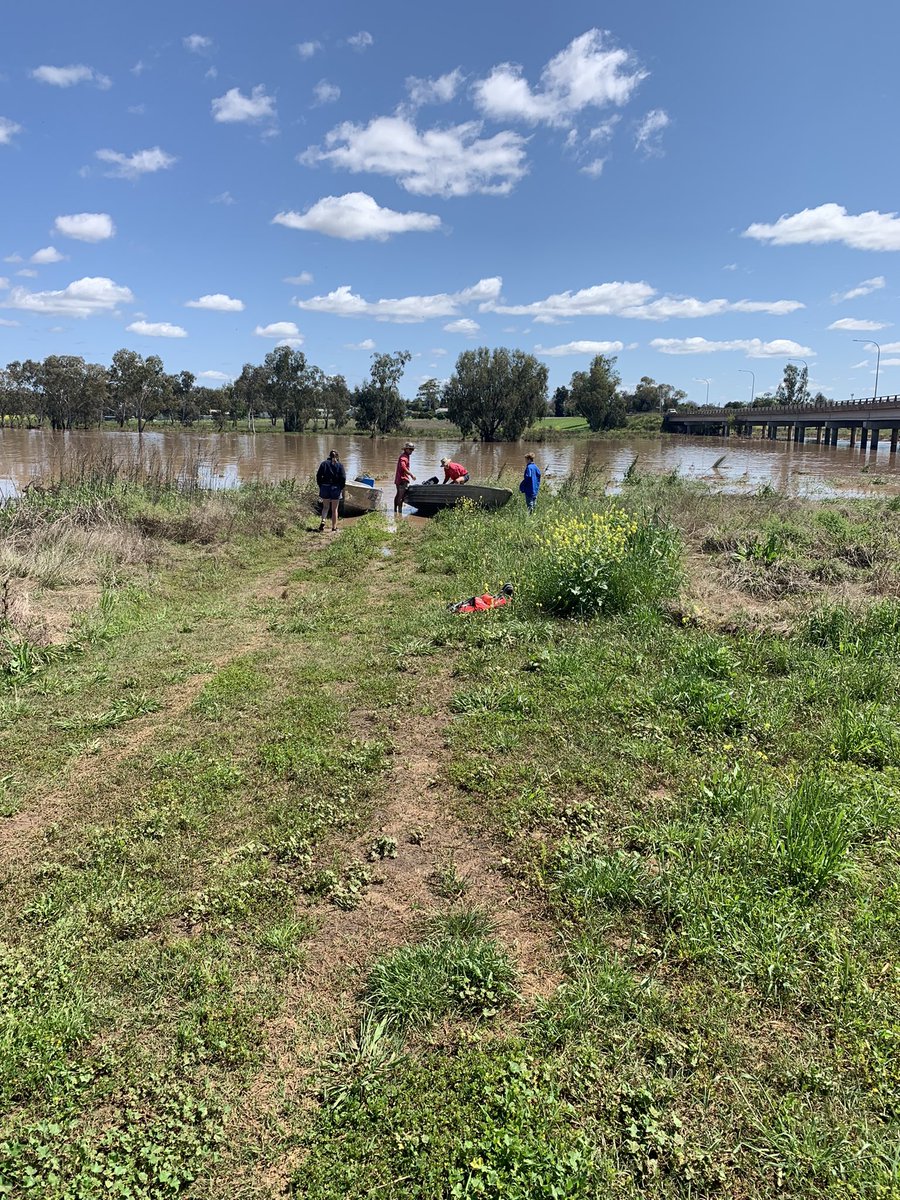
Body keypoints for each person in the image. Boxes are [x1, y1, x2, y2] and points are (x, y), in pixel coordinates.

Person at [316, 449, 346, 532]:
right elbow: (343, 478)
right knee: (334, 509)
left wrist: (320, 485)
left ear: (329, 456)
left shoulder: (324, 464)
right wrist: (341, 487)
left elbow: (318, 476)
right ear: (337, 456)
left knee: (325, 507)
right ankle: (334, 527)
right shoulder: (340, 465)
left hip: (325, 487)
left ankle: (323, 521)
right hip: (335, 488)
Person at [394, 442, 416, 512]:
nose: (411, 451)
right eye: (410, 449)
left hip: (398, 479)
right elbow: (403, 467)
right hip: (403, 479)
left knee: (398, 495)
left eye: (412, 449)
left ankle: (395, 510)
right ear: (406, 449)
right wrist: (411, 475)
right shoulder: (404, 457)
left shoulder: (405, 456)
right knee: (401, 497)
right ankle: (399, 512)